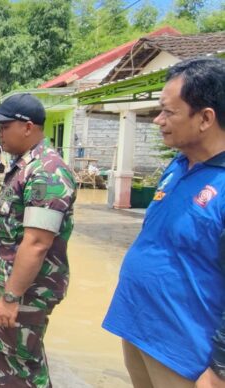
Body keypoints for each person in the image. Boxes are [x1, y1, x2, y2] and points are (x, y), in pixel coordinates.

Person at [102, 57, 225, 388]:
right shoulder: (178, 166)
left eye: (169, 112)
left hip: (184, 352)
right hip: (139, 327)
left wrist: (220, 369)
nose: (158, 120)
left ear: (205, 118)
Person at [0, 93, 76, 387]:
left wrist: (10, 298)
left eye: (4, 126)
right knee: (10, 360)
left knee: (20, 367)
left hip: (25, 293)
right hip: (14, 289)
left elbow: (37, 243)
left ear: (28, 127)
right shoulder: (25, 166)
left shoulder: (47, 171)